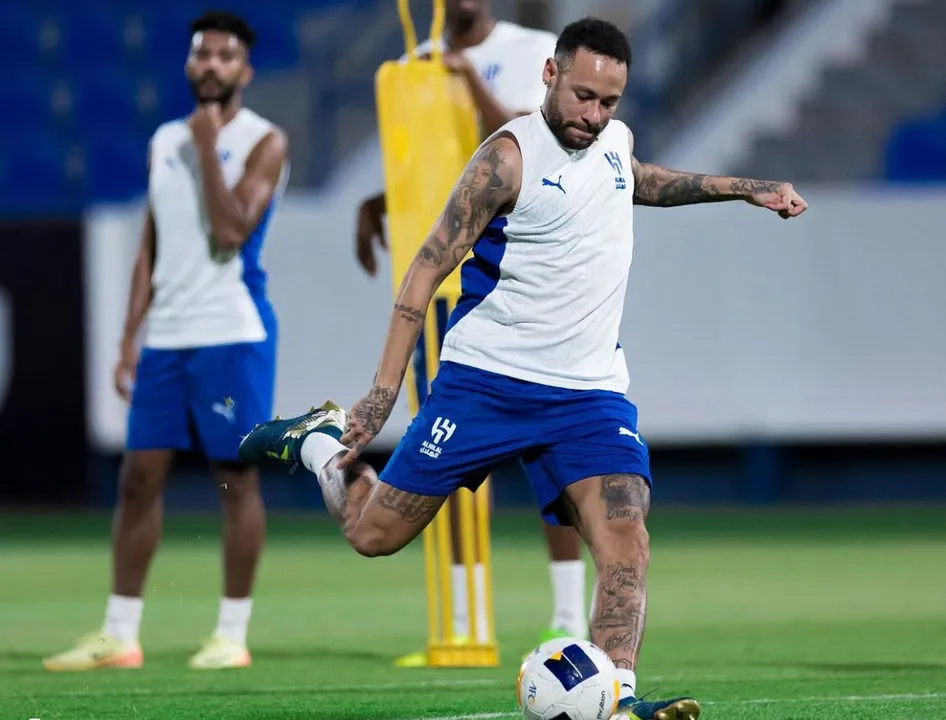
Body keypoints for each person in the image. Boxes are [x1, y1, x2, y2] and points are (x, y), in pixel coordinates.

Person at [240, 16, 806, 720]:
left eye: (609, 102)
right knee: (373, 535)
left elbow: (642, 180)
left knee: (627, 539)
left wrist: (745, 187)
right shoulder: (505, 159)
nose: (593, 116)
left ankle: (620, 699)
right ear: (550, 75)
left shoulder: (612, 142)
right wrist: (383, 392)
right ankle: (321, 446)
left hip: (590, 394)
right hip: (486, 384)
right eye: (583, 96)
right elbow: (422, 272)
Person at [43, 11, 289, 672]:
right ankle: (120, 634)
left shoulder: (264, 140)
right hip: (169, 339)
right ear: (188, 64)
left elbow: (233, 228)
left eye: (225, 56)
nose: (211, 64)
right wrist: (129, 338)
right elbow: (152, 243)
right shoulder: (163, 139)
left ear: (246, 71)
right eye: (202, 54)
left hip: (233, 333)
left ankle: (231, 634)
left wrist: (209, 146)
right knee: (137, 478)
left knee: (235, 479)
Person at [356, 0, 590, 663]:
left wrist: (465, 77)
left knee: (557, 455)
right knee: (451, 457)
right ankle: (462, 622)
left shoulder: (532, 49)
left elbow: (528, 145)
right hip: (460, 276)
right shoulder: (411, 66)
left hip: (532, 266)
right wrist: (382, 202)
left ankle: (567, 614)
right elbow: (429, 163)